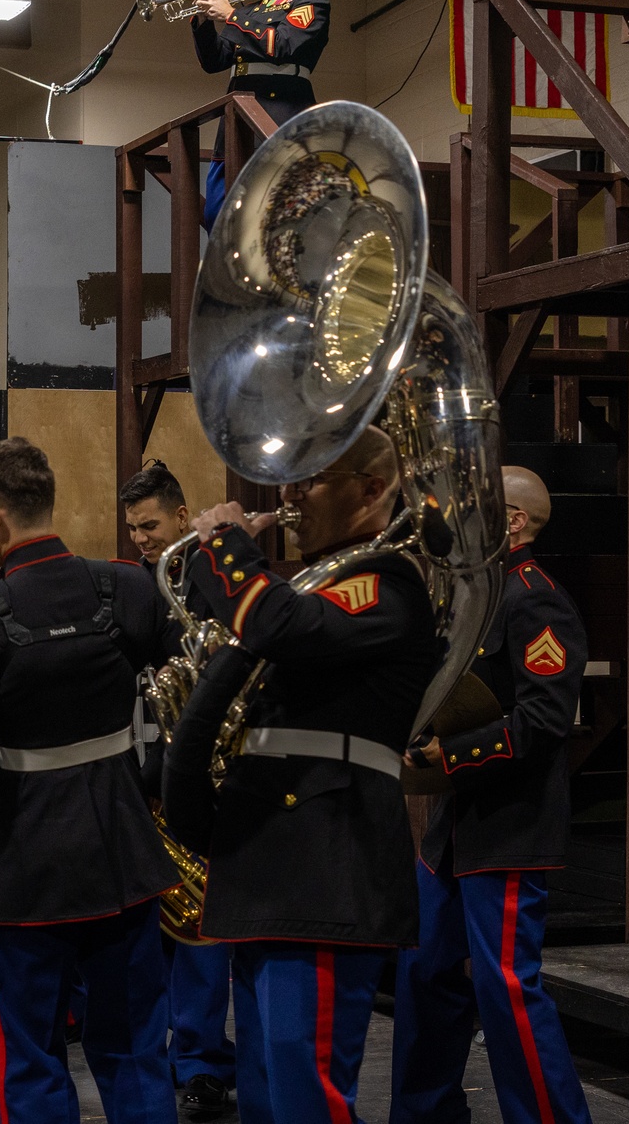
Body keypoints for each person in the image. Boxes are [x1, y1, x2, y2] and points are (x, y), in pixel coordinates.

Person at [168, 426, 440, 1123]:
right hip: (269, 860)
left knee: (303, 1091)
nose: (288, 496)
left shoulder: (388, 583)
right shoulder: (319, 582)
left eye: (310, 479)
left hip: (326, 860)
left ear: (372, 489)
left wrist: (226, 543)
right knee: (265, 1090)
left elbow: (278, 627)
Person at [0, 437, 179, 1124]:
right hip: (123, 850)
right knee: (133, 1046)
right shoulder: (126, 585)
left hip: (26, 866)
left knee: (33, 1056)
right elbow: (188, 698)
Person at [390, 467, 593, 1124]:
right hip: (456, 829)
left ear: (512, 521)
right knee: (425, 981)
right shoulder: (479, 594)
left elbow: (543, 720)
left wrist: (450, 756)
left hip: (508, 826)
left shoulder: (537, 600)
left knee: (505, 990)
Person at [119, 462, 237, 1121]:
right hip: (145, 772)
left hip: (201, 775)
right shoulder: (136, 585)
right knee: (157, 928)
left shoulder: (214, 578)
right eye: (133, 527)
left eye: (151, 525)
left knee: (198, 929)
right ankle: (171, 1056)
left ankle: (202, 1064)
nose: (140, 537)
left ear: (183, 515)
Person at [191, 0, 330, 230]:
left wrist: (231, 15)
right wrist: (203, 15)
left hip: (280, 117)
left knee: (276, 215)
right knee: (217, 215)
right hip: (236, 124)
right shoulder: (251, 11)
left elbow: (283, 45)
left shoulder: (309, 0)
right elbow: (215, 61)